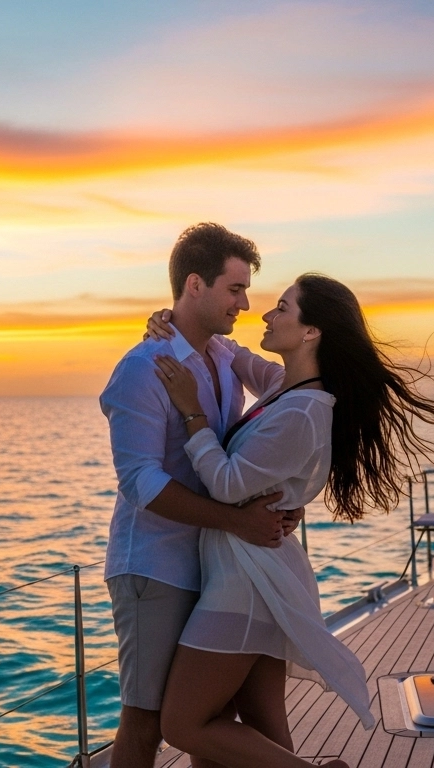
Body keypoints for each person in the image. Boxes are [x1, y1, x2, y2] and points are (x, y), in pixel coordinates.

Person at [146, 273, 434, 768]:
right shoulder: (283, 388)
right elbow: (230, 352)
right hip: (256, 572)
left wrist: (192, 412)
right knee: (262, 723)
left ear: (311, 331)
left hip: (247, 583)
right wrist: (174, 323)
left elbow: (226, 484)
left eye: (282, 308)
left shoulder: (304, 411)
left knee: (184, 724)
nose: (266, 315)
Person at [100, 223, 300, 768]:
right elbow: (140, 483)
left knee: (210, 718)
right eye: (235, 289)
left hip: (213, 562)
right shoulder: (143, 369)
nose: (245, 303)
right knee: (144, 722)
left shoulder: (225, 357)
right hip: (155, 566)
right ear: (195, 284)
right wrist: (236, 521)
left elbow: (291, 399)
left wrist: (290, 493)